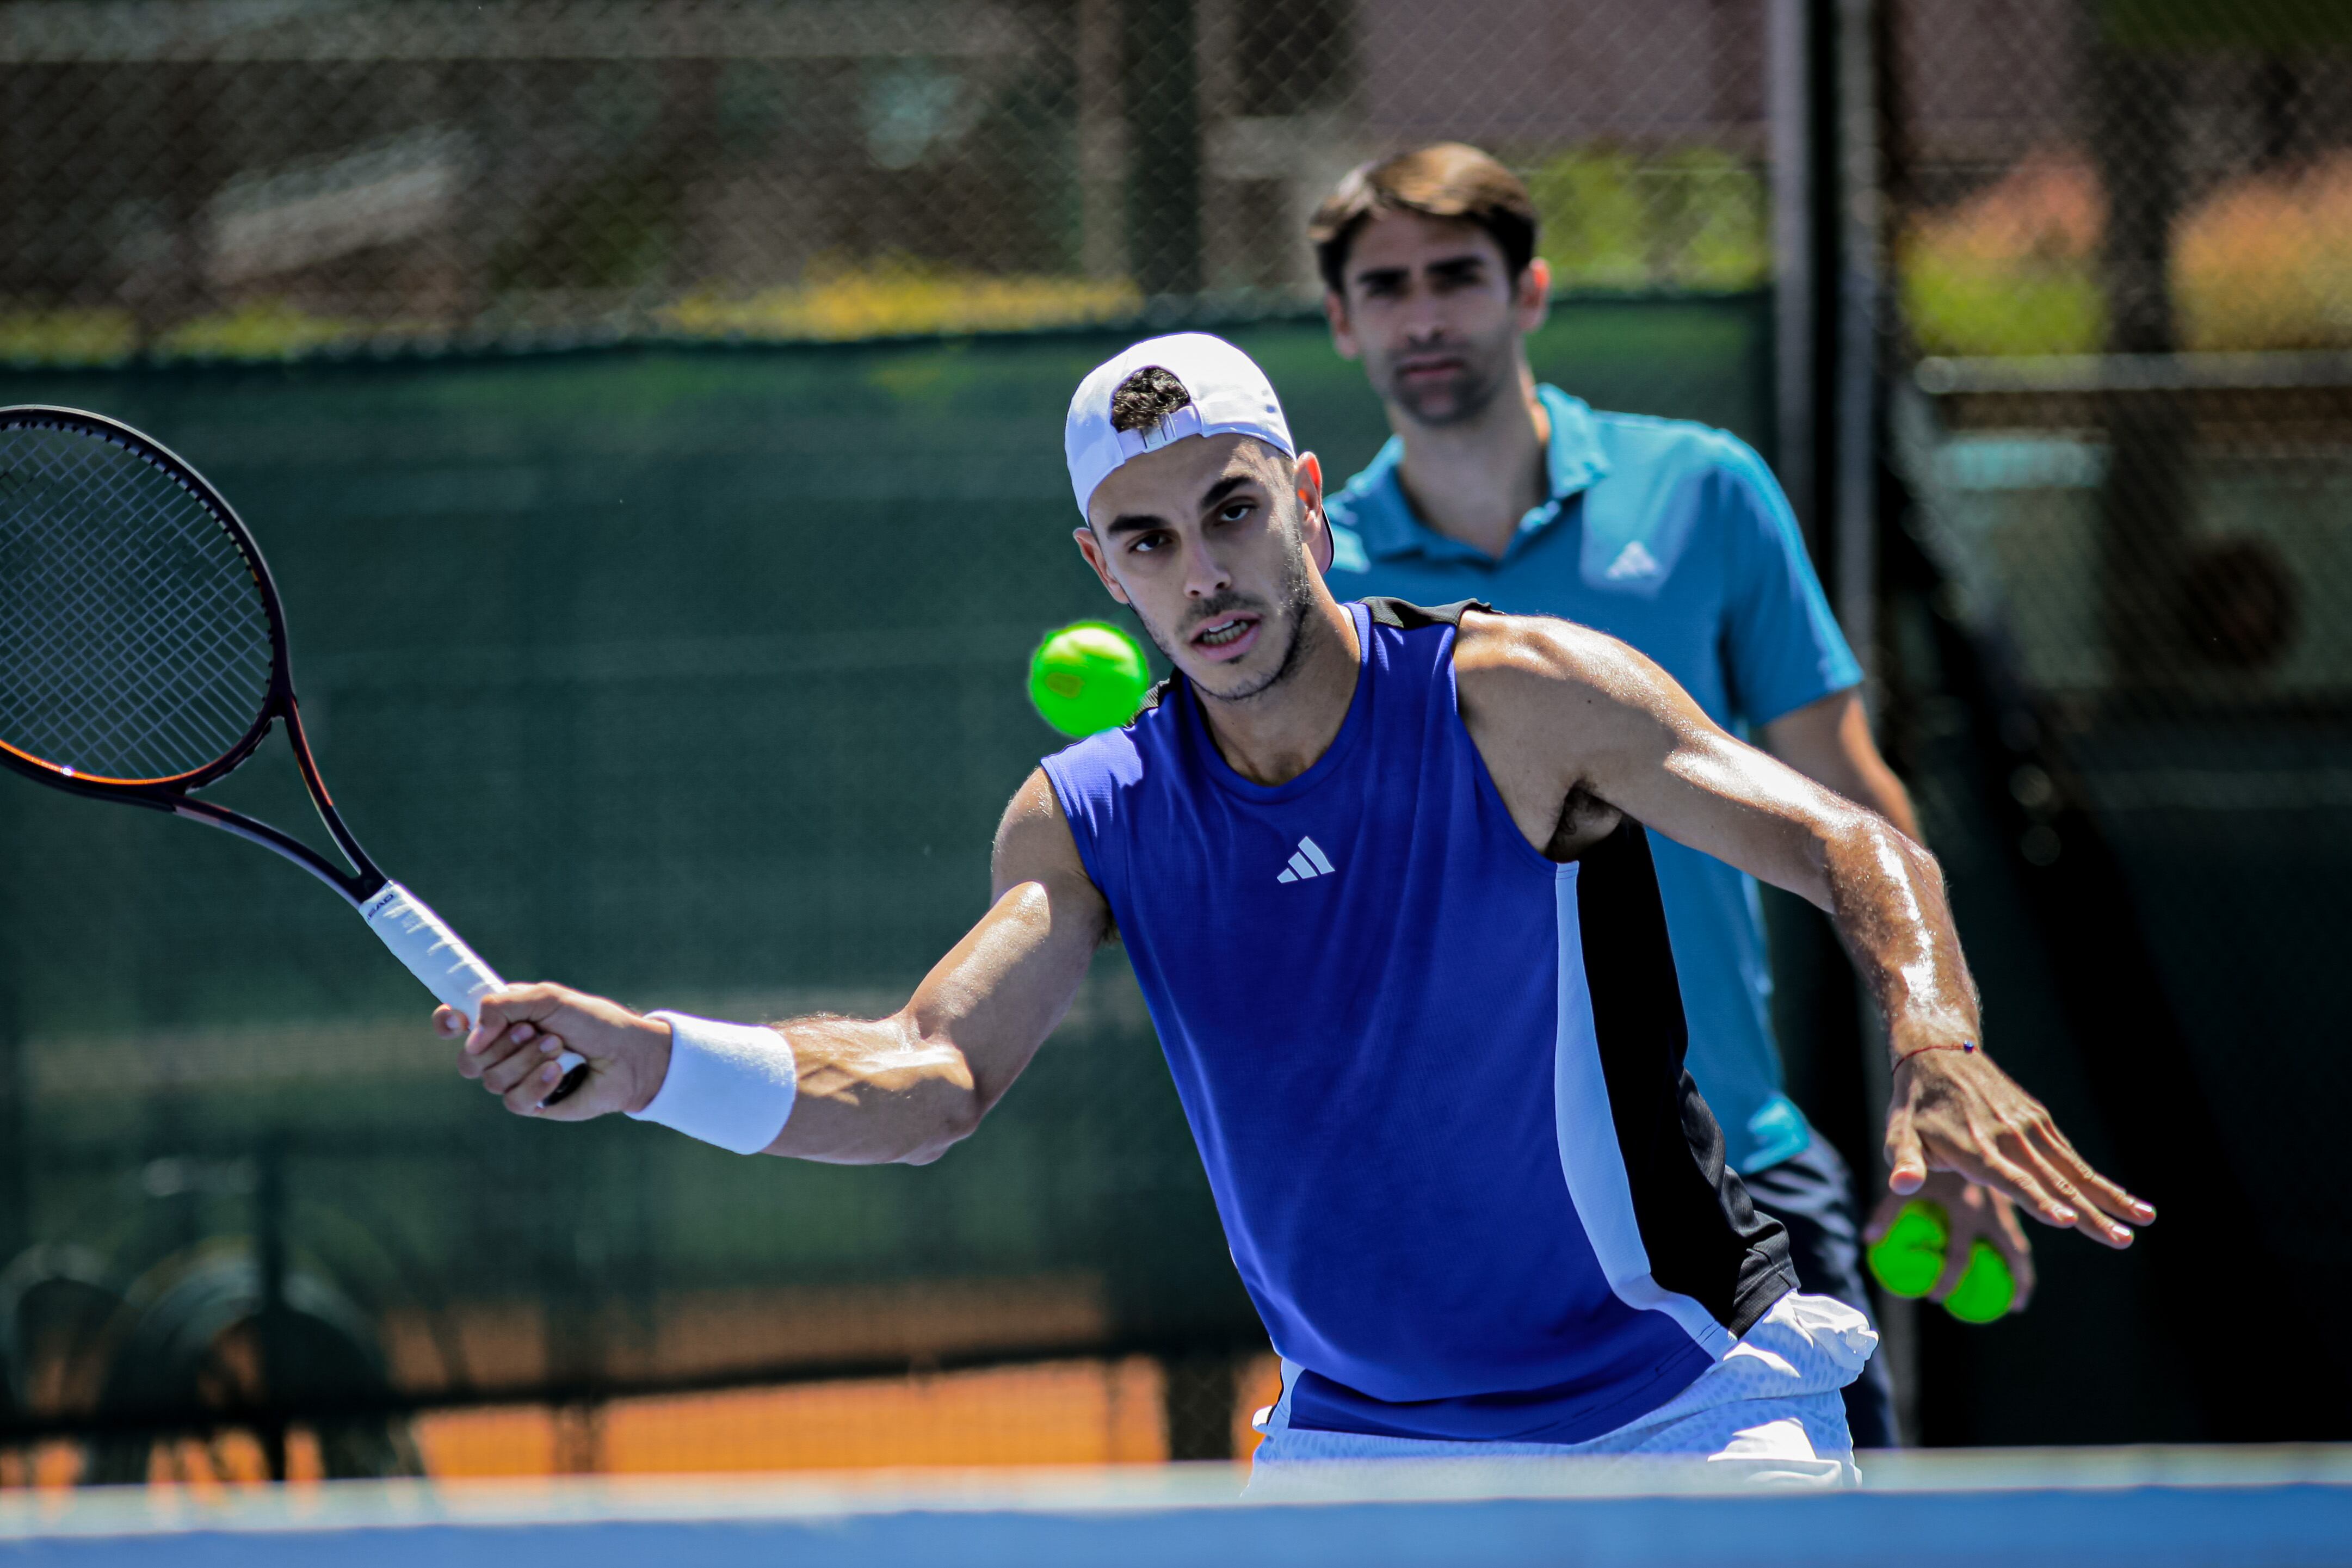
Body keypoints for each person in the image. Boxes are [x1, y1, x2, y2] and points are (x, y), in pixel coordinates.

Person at [437, 333, 2147, 1483]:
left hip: (1680, 1413)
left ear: (1309, 502)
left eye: (1232, 514)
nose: (1205, 574)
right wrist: (650, 1059)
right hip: (1363, 1451)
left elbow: (1852, 844)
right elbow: (922, 1083)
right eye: (1150, 542)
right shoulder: (1087, 816)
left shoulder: (1519, 699)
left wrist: (1934, 1031)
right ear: (1100, 572)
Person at [1307, 143, 2022, 1447]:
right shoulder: (1316, 585)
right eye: (1386, 285)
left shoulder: (1703, 491)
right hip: (1468, 1226)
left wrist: (1941, 1065)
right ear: (1341, 320)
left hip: (1739, 1172)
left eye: (1455, 277)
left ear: (1526, 291)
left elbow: (1848, 801)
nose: (1422, 316)